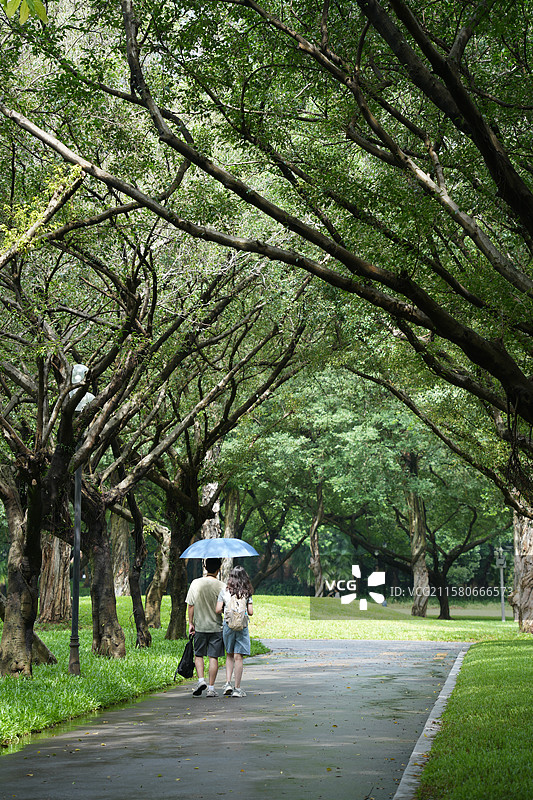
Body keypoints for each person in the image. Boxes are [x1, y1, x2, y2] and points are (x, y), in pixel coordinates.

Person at [185, 557, 225, 697]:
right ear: (218, 568)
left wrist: (191, 623)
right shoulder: (222, 586)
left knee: (199, 654)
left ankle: (201, 680)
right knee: (213, 657)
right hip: (216, 627)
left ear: (205, 567)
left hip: (200, 626)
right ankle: (211, 688)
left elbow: (190, 605)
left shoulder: (196, 583)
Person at [215, 565, 254, 697]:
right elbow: (251, 612)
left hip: (228, 625)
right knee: (239, 657)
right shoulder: (247, 592)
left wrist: (227, 609)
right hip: (242, 627)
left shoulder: (225, 592)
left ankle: (227, 683)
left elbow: (217, 609)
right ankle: (237, 689)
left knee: (229, 655)